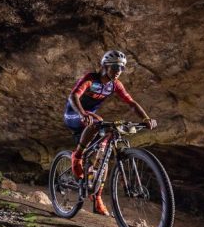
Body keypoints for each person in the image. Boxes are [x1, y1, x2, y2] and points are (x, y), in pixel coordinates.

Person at [63, 50, 158, 215]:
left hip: (90, 119)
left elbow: (131, 102)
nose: (118, 71)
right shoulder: (91, 79)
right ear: (104, 66)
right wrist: (82, 114)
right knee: (98, 120)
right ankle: (77, 156)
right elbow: (73, 97)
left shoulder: (115, 84)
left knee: (105, 155)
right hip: (74, 115)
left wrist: (146, 119)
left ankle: (96, 195)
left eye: (121, 68)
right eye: (115, 67)